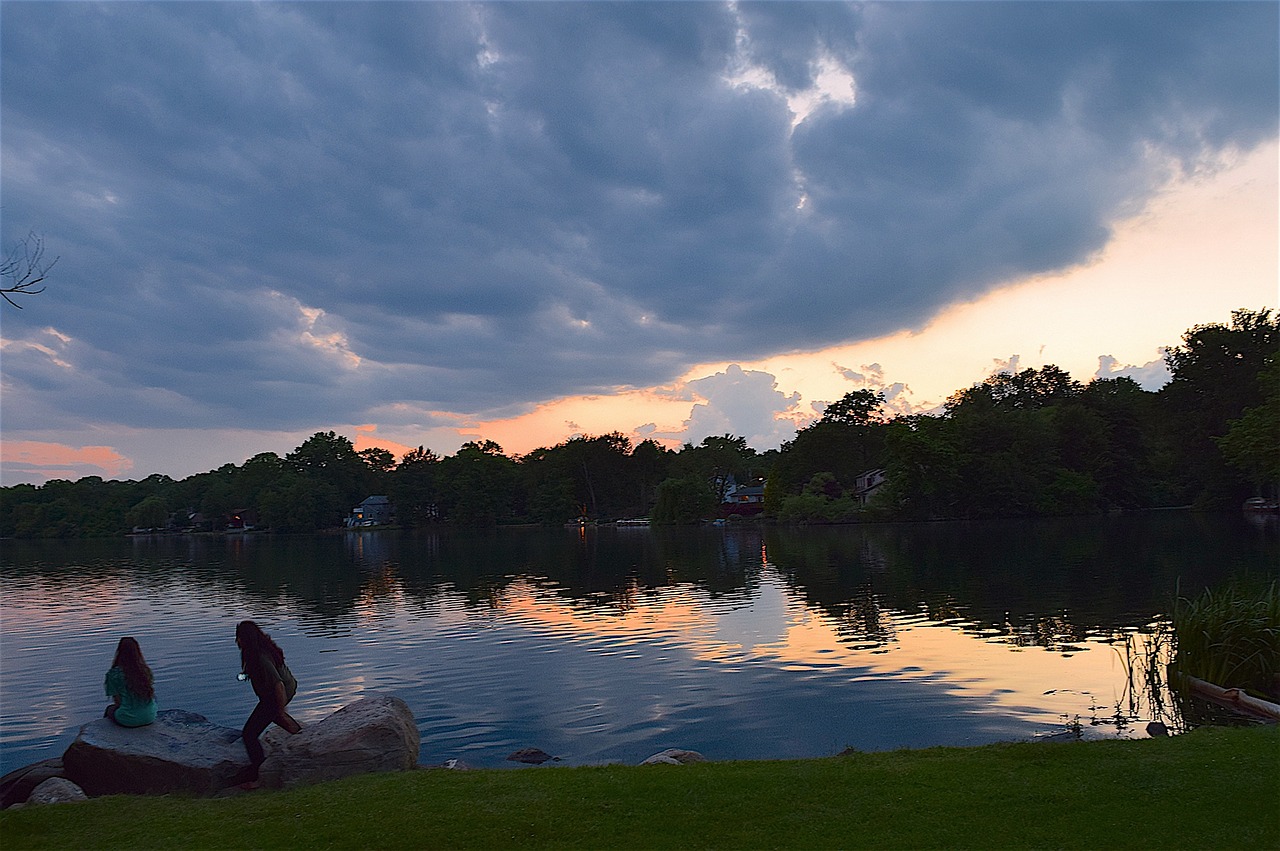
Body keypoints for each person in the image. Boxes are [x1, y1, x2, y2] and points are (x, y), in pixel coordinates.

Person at [234, 620, 301, 785]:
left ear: (246, 638)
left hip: (279, 692)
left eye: (239, 638)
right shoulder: (257, 651)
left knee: (249, 733)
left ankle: (258, 773)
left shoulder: (260, 656)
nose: (237, 641)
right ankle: (303, 738)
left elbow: (278, 685)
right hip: (278, 691)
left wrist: (280, 709)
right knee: (273, 716)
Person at [103, 636, 157, 727]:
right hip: (150, 716)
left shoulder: (114, 674)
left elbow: (117, 701)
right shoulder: (145, 671)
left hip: (128, 719)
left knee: (109, 709)